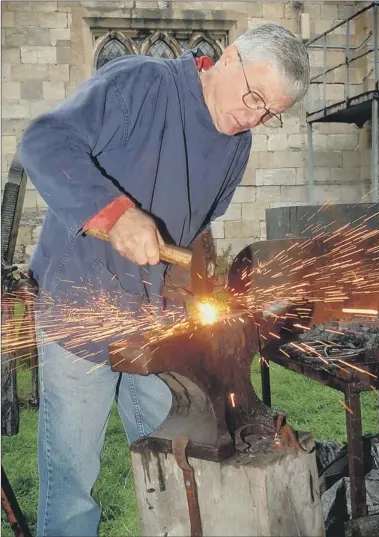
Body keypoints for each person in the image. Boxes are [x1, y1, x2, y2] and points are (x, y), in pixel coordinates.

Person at [18, 22, 310, 536]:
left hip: (152, 322)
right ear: (228, 56)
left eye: (269, 113)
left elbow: (197, 230)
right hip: (80, 312)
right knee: (72, 487)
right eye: (253, 96)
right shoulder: (139, 83)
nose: (252, 115)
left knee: (176, 456)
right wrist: (113, 215)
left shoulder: (236, 146)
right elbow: (44, 141)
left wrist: (198, 287)